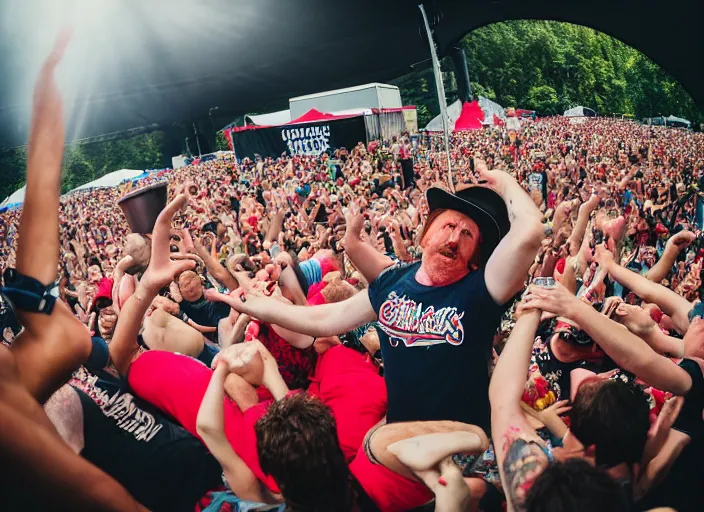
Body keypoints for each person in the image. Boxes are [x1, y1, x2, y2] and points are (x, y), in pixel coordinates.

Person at [224, 165, 545, 434]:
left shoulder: (482, 288)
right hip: (403, 440)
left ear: (475, 257)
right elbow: (323, 320)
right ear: (427, 233)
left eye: (467, 235)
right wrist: (258, 307)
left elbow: (530, 231)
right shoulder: (394, 281)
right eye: (448, 225)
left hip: (463, 442)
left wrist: (503, 181)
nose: (453, 239)